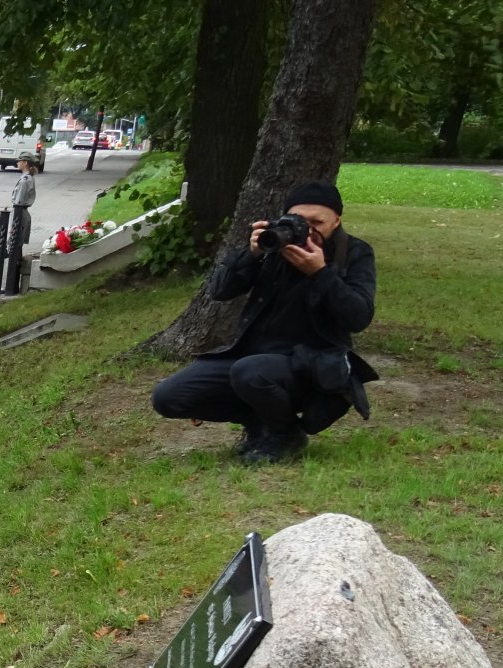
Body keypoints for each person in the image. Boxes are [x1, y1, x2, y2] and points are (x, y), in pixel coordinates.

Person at [151, 180, 379, 465]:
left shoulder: (354, 253)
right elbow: (220, 291)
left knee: (250, 372)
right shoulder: (275, 244)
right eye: (299, 220)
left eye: (317, 222)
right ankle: (263, 422)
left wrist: (320, 273)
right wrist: (252, 253)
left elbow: (359, 316)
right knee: (168, 397)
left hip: (310, 363)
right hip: (251, 356)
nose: (307, 229)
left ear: (336, 221)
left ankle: (284, 435)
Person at [9, 157, 36, 260]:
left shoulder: (25, 180)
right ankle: (17, 262)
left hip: (19, 212)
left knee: (16, 239)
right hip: (22, 211)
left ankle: (15, 264)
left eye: (19, 161)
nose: (17, 163)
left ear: (25, 163)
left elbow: (19, 201)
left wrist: (14, 219)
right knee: (17, 240)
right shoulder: (27, 177)